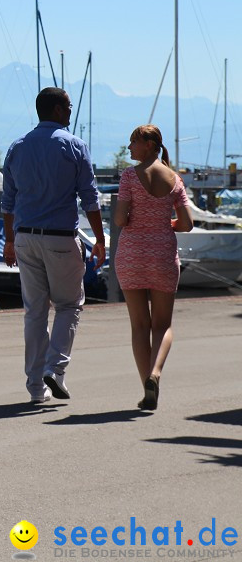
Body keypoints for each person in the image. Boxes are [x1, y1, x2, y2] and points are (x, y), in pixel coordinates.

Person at [0, 87, 107, 404]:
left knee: (34, 312)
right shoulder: (74, 145)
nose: (71, 112)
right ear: (59, 110)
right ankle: (55, 369)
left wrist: (8, 240)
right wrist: (100, 238)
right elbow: (90, 197)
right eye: (69, 107)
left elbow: (8, 201)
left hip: (24, 238)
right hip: (60, 238)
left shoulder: (17, 147)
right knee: (69, 305)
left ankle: (36, 387)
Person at [112, 124, 193, 411]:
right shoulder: (174, 179)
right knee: (163, 324)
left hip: (132, 256)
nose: (129, 146)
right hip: (162, 256)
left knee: (139, 326)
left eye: (133, 141)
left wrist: (136, 217)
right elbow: (186, 224)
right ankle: (155, 374)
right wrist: (164, 224)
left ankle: (146, 383)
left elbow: (120, 220)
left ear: (148, 145)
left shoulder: (129, 177)